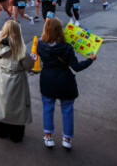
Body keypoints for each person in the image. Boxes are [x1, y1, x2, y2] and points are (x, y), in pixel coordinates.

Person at [37, 17, 95, 149]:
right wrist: (90, 60)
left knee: (48, 108)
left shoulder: (41, 45)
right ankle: (67, 139)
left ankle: (48, 137)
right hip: (65, 82)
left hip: (47, 80)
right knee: (67, 111)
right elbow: (76, 67)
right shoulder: (67, 47)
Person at [0, 20, 35, 143]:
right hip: (16, 81)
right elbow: (29, 66)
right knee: (16, 106)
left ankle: (1, 130)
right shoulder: (21, 51)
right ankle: (16, 135)